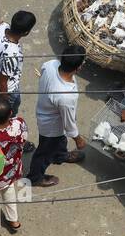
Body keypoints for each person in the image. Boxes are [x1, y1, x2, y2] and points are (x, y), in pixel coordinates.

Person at [29, 45, 88, 190]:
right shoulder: (65, 95)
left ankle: (60, 156)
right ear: (78, 68)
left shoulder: (50, 65)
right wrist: (78, 139)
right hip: (50, 125)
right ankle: (35, 177)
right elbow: (69, 123)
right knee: (44, 151)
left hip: (48, 113)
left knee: (60, 140)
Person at [0, 96, 27, 234]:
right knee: (9, 193)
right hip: (12, 170)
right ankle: (13, 220)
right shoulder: (20, 124)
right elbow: (24, 139)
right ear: (10, 113)